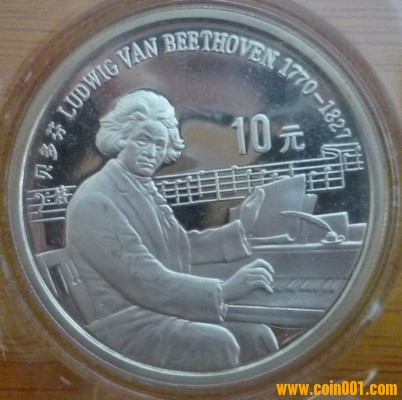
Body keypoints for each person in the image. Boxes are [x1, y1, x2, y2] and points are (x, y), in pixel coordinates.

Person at [65, 89, 278, 371]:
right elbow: (146, 281)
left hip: (157, 311)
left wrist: (240, 231)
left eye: (159, 144)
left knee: (258, 335)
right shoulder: (96, 200)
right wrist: (224, 291)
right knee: (218, 342)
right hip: (124, 323)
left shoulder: (137, 185)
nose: (152, 153)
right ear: (122, 137)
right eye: (143, 140)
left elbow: (177, 245)